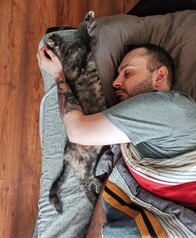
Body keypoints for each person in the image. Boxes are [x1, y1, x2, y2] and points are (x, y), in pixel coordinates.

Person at [37, 44, 196, 237]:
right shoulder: (141, 130)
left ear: (159, 76)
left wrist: (58, 75)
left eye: (127, 73)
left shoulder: (169, 107)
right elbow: (119, 177)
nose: (115, 82)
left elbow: (77, 130)